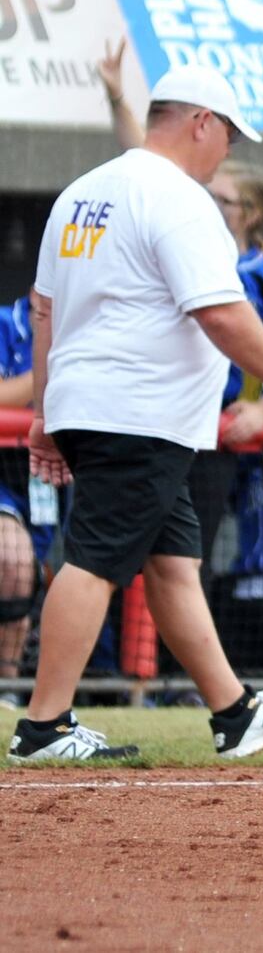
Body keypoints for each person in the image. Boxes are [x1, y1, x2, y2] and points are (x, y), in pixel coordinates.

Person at [8, 63, 263, 761]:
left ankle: (235, 712)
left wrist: (44, 408)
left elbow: (44, 308)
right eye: (228, 137)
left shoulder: (82, 193)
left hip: (106, 405)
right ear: (200, 122)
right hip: (138, 411)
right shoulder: (181, 200)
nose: (227, 154)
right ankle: (43, 726)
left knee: (174, 564)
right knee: (92, 561)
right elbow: (219, 310)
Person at [100, 38, 263, 615]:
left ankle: (185, 682)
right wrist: (117, 101)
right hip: (153, 416)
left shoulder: (261, 272)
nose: (207, 195)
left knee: (189, 558)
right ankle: (158, 683)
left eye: (223, 198)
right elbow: (148, 164)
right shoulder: (176, 217)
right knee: (135, 560)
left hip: (217, 429)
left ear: (249, 215)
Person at [0, 295, 51, 709]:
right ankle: (8, 683)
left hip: (51, 473)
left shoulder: (88, 330)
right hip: (4, 467)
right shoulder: (4, 324)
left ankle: (8, 689)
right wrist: (51, 374)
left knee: (42, 573)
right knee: (12, 559)